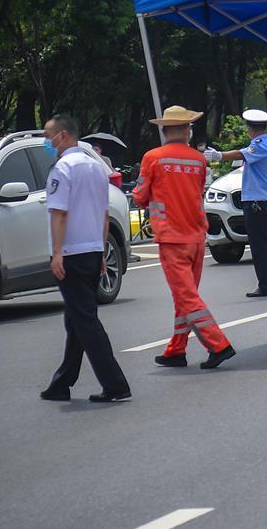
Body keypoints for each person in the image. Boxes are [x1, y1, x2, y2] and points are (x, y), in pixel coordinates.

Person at [39, 115, 131, 403]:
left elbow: (59, 214)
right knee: (76, 319)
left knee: (85, 321)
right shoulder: (95, 167)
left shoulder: (62, 169)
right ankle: (62, 382)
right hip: (92, 250)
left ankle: (116, 384)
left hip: (72, 253)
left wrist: (56, 253)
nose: (46, 142)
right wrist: (102, 250)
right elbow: (103, 214)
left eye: (48, 136)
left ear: (62, 136)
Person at [134, 106, 236, 369]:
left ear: (165, 129)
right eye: (189, 126)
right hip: (196, 237)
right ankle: (176, 350)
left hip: (172, 237)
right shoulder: (198, 160)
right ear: (183, 129)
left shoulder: (152, 158)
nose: (191, 130)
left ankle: (219, 345)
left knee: (187, 298)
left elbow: (140, 196)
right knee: (186, 296)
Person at [205, 109, 267, 297]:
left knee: (260, 246)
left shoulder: (261, 144)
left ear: (251, 129)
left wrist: (219, 156)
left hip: (258, 201)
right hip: (264, 200)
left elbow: (241, 154)